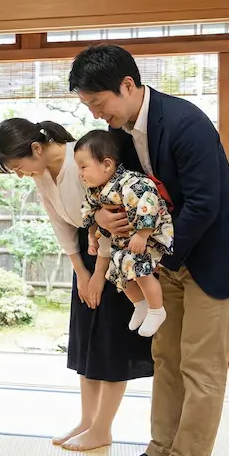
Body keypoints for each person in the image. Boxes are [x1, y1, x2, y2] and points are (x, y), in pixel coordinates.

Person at [69, 44, 229, 456]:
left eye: (99, 102)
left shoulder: (184, 122)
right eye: (89, 106)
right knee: (166, 355)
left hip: (216, 255)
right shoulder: (118, 133)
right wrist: (101, 217)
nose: (97, 114)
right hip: (166, 254)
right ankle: (160, 449)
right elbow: (114, 188)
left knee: (200, 364)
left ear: (127, 85)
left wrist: (158, 257)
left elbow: (204, 203)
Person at [0, 118, 153, 452]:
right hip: (86, 250)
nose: (20, 175)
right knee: (87, 342)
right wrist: (80, 271)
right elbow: (60, 223)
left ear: (36, 148)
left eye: (18, 167)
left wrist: (99, 275)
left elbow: (111, 216)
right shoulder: (41, 174)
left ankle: (102, 428)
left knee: (110, 343)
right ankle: (87, 421)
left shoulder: (80, 157)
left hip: (117, 250)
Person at [75, 129, 175, 337]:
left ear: (107, 164)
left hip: (151, 235)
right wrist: (92, 236)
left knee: (139, 268)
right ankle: (140, 304)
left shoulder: (132, 182)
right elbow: (89, 210)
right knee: (116, 271)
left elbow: (148, 205)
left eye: (83, 167)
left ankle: (157, 310)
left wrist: (142, 235)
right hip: (124, 241)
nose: (80, 174)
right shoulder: (96, 190)